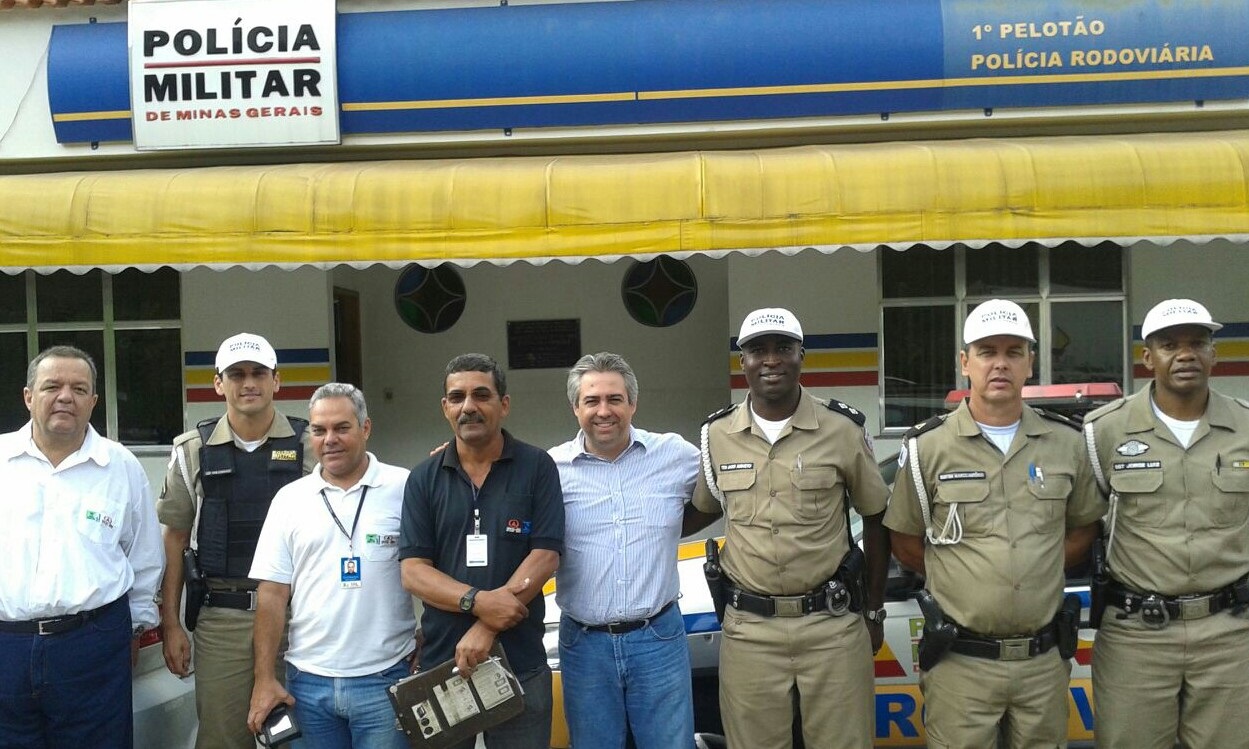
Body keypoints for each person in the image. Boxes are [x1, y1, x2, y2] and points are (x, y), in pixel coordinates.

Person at [885, 299, 1103, 748]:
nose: (1000, 363)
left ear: (1030, 363)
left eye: (1013, 351)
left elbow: (1083, 530)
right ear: (966, 362)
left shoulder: (1067, 444)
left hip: (1042, 664)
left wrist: (1031, 570)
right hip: (961, 663)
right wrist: (966, 578)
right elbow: (904, 541)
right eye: (987, 351)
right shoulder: (927, 447)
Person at [685, 308, 891, 749]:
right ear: (743, 361)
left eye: (783, 348)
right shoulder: (715, 435)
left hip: (831, 626)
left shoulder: (842, 429)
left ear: (802, 356)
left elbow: (876, 518)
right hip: (750, 631)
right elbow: (700, 508)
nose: (771, 360)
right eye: (758, 350)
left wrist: (873, 611)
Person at [1084, 298, 1249, 748]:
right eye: (1169, 344)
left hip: (1231, 635)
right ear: (1148, 357)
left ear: (1215, 354)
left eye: (1198, 343)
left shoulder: (1246, 426)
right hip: (1137, 635)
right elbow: (1080, 526)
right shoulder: (1103, 432)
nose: (1186, 354)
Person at [157, 332, 316, 749]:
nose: (248, 383)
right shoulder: (192, 450)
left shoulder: (309, 445)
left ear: (276, 381)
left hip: (299, 619)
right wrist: (170, 623)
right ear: (218, 384)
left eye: (258, 373)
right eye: (237, 374)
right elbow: (174, 538)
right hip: (222, 619)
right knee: (224, 739)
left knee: (297, 738)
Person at [0, 345, 163, 748]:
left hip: (92, 644)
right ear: (28, 396)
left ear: (93, 401)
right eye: (52, 386)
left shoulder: (120, 466)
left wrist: (135, 629)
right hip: (6, 646)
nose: (65, 397)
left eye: (78, 388)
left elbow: (144, 557)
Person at [400, 353, 564, 749]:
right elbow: (413, 572)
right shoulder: (424, 478)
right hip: (442, 668)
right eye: (456, 397)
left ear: (503, 404)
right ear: (445, 407)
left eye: (481, 395)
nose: (468, 406)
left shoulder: (537, 467)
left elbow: (545, 556)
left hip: (521, 666)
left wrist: (488, 626)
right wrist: (477, 602)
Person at [247, 383, 415, 749]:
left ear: (365, 428)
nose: (330, 440)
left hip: (385, 680)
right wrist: (264, 679)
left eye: (342, 428)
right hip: (308, 684)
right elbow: (273, 595)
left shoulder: (404, 487)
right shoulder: (289, 500)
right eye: (319, 430)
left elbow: (432, 569)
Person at [548, 352, 699, 749]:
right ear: (575, 408)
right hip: (584, 646)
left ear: (632, 403)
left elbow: (729, 482)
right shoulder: (551, 469)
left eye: (614, 399)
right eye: (592, 401)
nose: (604, 411)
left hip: (659, 639)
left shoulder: (675, 455)